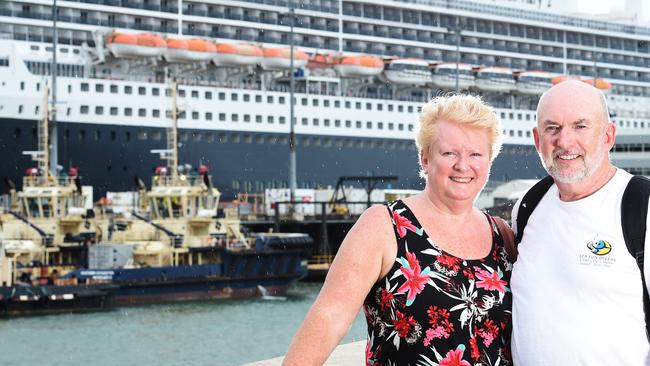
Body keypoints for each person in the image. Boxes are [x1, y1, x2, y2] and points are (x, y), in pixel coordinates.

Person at [283, 94, 513, 365]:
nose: (463, 165)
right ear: (425, 159)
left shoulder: (501, 234)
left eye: (475, 154)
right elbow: (329, 318)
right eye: (449, 152)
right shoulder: (385, 225)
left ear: (489, 162)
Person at [510, 80, 650, 364]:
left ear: (608, 136)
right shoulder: (527, 207)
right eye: (553, 128)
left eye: (580, 126)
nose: (564, 141)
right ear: (538, 140)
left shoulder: (640, 206)